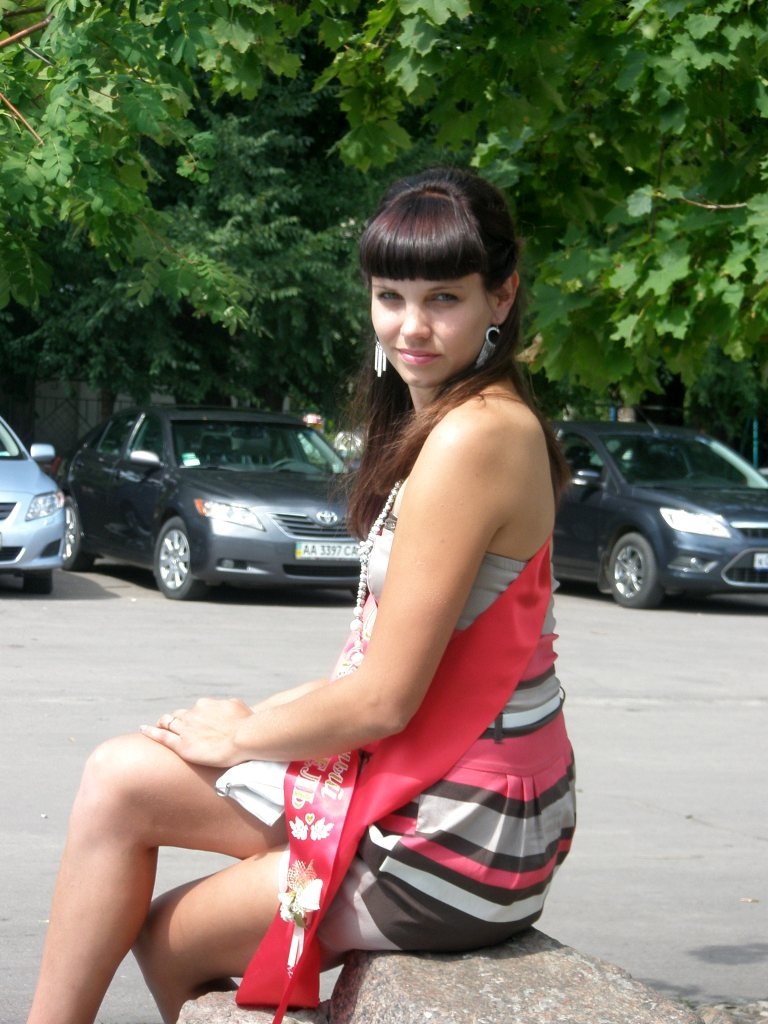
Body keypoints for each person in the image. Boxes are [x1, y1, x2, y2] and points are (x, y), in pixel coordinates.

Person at [27, 166, 576, 1024]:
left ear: (500, 295)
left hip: (454, 829)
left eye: (444, 298)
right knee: (117, 778)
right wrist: (261, 723)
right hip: (422, 777)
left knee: (168, 939)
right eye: (390, 296)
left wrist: (242, 736)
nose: (412, 326)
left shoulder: (477, 436)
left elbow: (384, 699)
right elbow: (383, 666)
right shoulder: (452, 418)